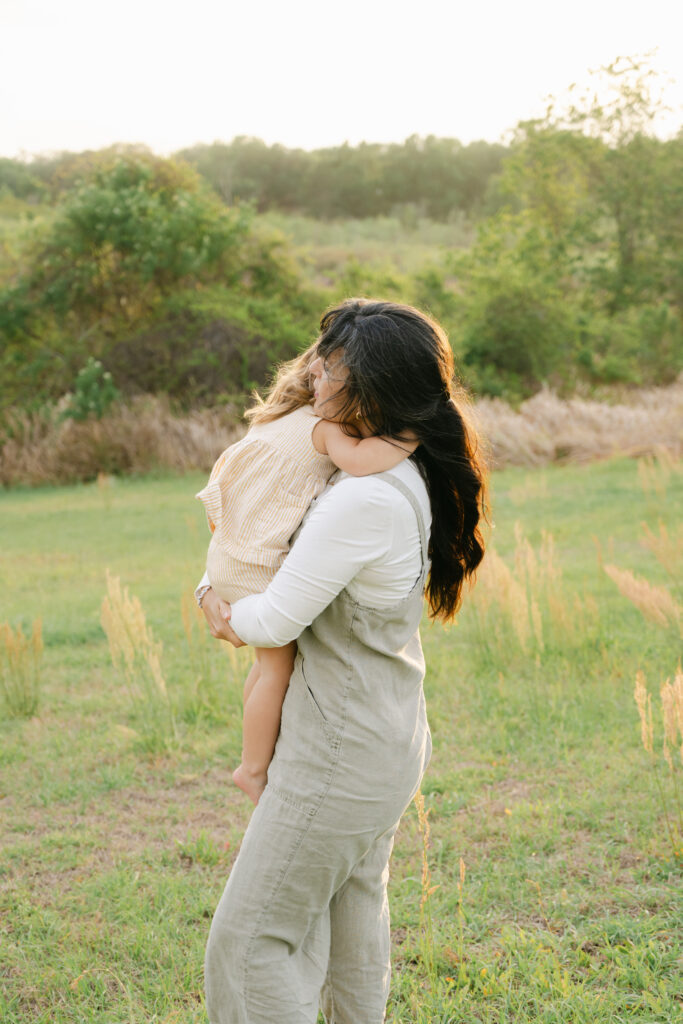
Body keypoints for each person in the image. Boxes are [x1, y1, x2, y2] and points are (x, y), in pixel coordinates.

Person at [199, 298, 488, 1024]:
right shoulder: (402, 466)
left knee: (249, 940)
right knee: (352, 920)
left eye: (330, 367)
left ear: (368, 388)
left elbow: (275, 615)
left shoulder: (362, 499)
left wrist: (220, 607)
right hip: (383, 739)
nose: (315, 375)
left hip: (339, 753)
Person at [196, 354, 418, 804]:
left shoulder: (281, 417)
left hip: (231, 555)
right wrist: (409, 436)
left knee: (264, 666)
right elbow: (359, 461)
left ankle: (254, 749)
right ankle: (252, 768)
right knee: (276, 670)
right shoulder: (326, 426)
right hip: (256, 562)